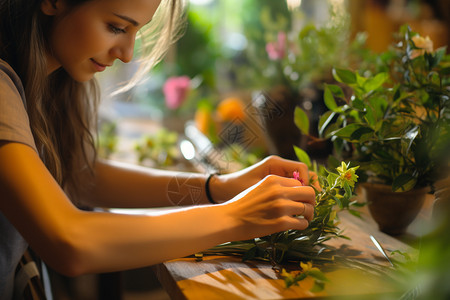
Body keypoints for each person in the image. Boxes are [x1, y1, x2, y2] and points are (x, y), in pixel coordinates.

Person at [0, 0, 318, 298]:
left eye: (137, 30)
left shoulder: (49, 82)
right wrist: (237, 216)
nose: (127, 54)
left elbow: (80, 175)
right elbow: (70, 241)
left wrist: (219, 187)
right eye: (116, 27)